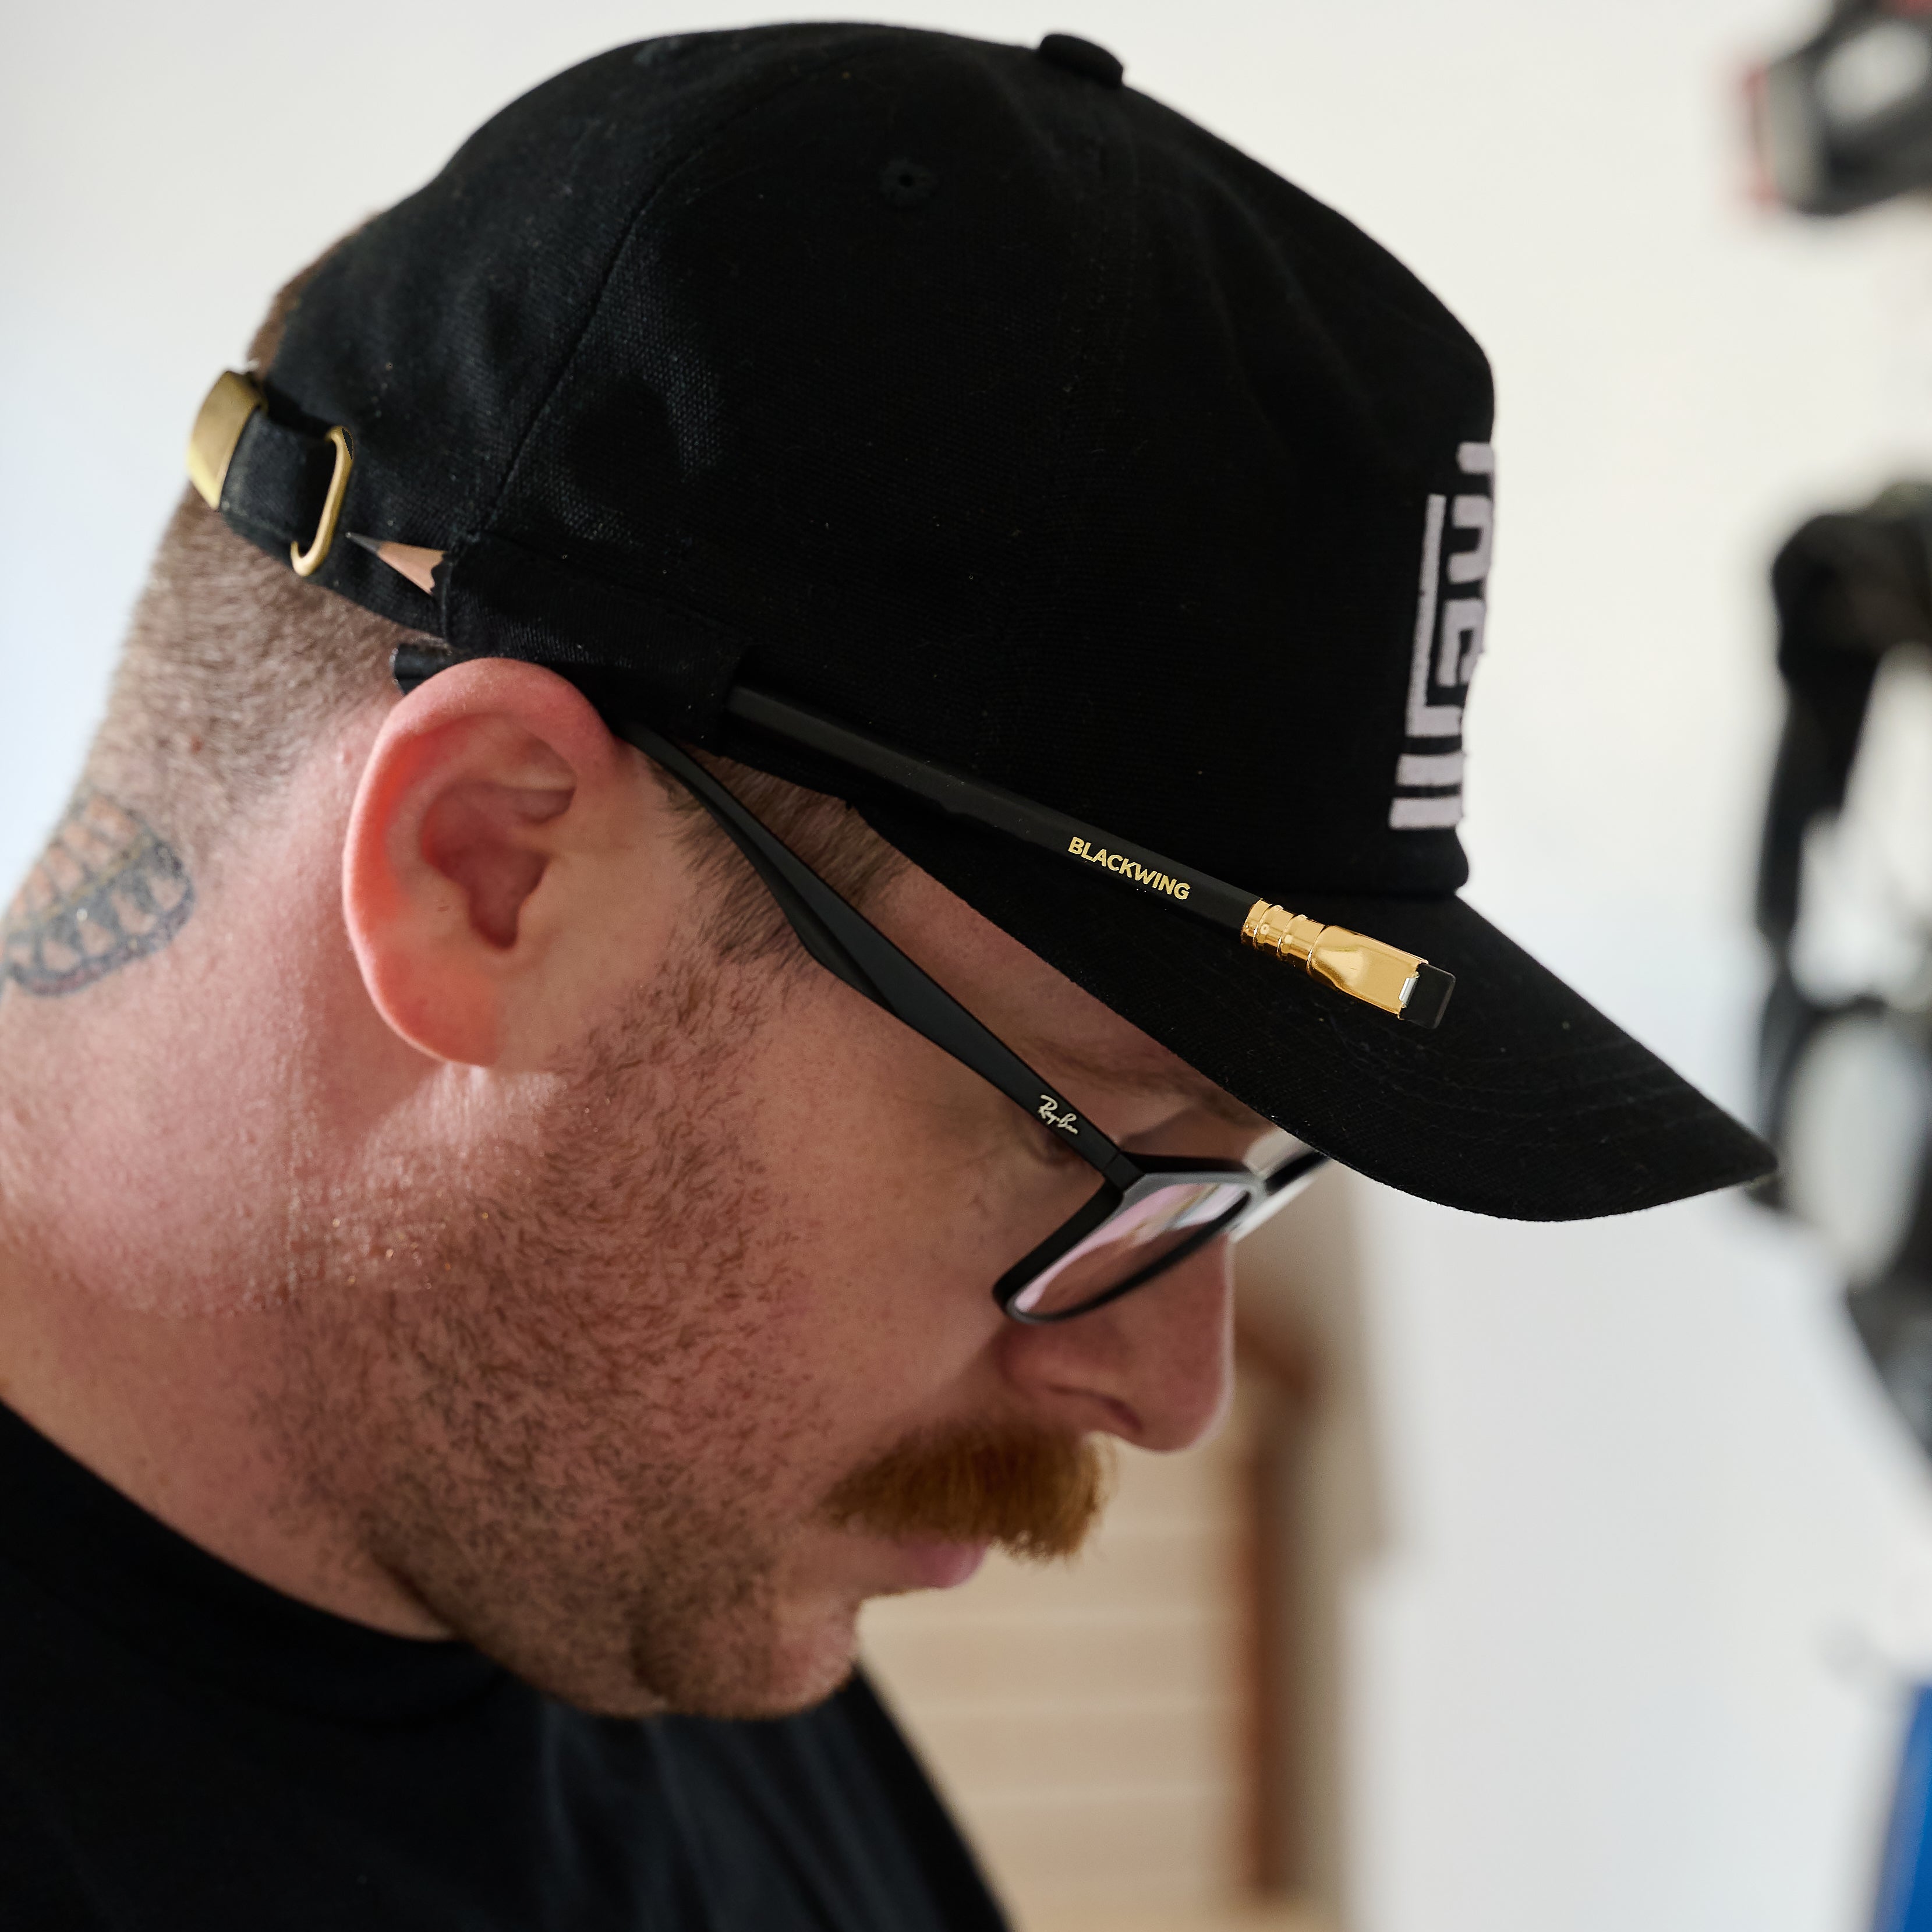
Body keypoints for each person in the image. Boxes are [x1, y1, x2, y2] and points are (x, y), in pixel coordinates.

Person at [0, 23, 1773, 1930]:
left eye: (1241, 1177)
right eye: (1096, 1150)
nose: (1172, 1392)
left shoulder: (641, 1564)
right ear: (489, 869)